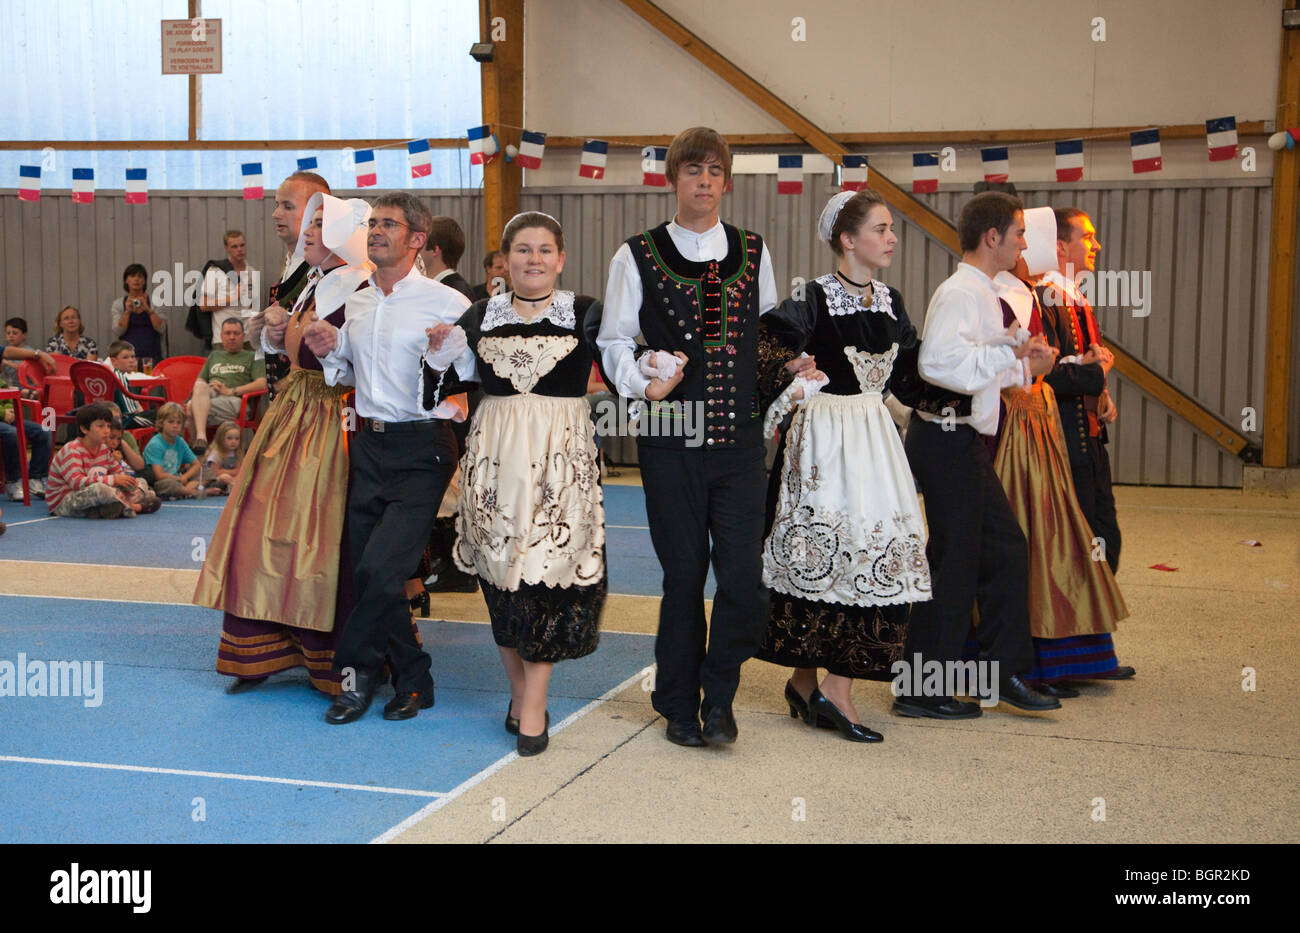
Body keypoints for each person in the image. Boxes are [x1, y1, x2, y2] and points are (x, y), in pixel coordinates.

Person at [597, 126, 778, 747]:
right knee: (683, 577)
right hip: (670, 435)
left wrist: (792, 375)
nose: (704, 181)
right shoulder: (637, 254)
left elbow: (768, 341)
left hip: (739, 441)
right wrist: (642, 382)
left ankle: (719, 693)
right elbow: (613, 340)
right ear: (672, 178)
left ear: (727, 181)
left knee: (743, 580)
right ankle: (678, 703)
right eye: (692, 170)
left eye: (714, 171)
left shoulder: (754, 250)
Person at [424, 211, 605, 756]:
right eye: (522, 249)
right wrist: (437, 352)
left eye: (544, 249)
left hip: (560, 459)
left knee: (547, 573)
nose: (534, 259)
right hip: (495, 456)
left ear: (561, 258)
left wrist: (658, 368)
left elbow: (624, 363)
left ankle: (533, 703)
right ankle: (519, 691)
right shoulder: (480, 314)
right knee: (501, 576)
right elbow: (440, 385)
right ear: (505, 260)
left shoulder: (586, 312)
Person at [754, 190, 931, 743]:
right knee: (824, 553)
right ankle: (824, 687)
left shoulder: (891, 301)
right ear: (848, 240)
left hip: (874, 439)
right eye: (881, 229)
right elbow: (762, 346)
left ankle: (816, 684)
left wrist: (982, 377)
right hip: (823, 440)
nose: (892, 238)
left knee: (874, 551)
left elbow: (912, 376)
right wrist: (791, 367)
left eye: (891, 228)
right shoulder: (811, 297)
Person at [303, 191, 473, 724]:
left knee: (380, 568)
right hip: (369, 445)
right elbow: (357, 373)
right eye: (372, 222)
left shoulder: (448, 303)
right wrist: (333, 347)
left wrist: (449, 351)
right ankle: (414, 679)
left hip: (423, 448)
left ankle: (353, 678)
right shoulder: (359, 301)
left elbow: (473, 372)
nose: (375, 230)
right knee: (368, 571)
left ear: (418, 239)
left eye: (389, 224)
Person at [195, 192, 375, 695]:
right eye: (308, 223)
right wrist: (275, 335)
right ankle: (259, 650)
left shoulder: (363, 285)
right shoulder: (314, 281)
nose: (306, 232)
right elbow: (297, 352)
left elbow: (372, 364)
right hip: (294, 412)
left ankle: (334, 660)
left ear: (342, 233)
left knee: (322, 536)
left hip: (334, 420)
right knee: (263, 529)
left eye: (319, 223)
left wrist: (328, 351)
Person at [892, 191, 1060, 719]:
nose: (1024, 244)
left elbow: (974, 367)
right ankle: (921, 688)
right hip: (945, 440)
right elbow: (938, 365)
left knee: (1004, 550)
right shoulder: (963, 292)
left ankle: (1000, 670)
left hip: (960, 440)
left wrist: (1020, 360)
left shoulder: (981, 291)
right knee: (956, 562)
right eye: (1019, 233)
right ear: (993, 237)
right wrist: (1011, 358)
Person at [1034, 206, 1134, 679]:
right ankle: (1065, 658)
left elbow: (1081, 364)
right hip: (1063, 443)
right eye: (1087, 237)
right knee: (1077, 546)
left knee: (1103, 539)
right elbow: (1047, 373)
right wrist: (1097, 373)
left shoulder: (1072, 296)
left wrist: (1101, 392)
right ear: (1060, 245)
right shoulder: (1045, 297)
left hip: (1088, 439)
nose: (1095, 245)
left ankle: (1091, 653)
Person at [249, 171, 332, 399]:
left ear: (318, 210)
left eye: (288, 206)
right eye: (277, 205)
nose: (276, 214)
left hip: (313, 400)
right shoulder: (291, 263)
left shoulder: (328, 271)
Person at [44, 402, 143, 518]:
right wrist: (114, 480)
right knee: (101, 489)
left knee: (141, 483)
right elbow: (77, 483)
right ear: (84, 429)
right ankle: (127, 505)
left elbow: (118, 472)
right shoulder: (72, 450)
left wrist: (127, 483)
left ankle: (109, 508)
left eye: (108, 426)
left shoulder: (104, 449)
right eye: (101, 426)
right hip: (64, 502)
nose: (107, 431)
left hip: (93, 497)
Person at [184, 319, 267, 451]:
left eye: (236, 333)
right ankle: (201, 440)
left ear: (243, 336)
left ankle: (197, 450)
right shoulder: (214, 356)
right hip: (211, 396)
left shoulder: (253, 356)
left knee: (190, 407)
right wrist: (212, 387)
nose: (231, 337)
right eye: (227, 333)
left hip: (236, 400)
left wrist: (230, 391)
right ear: (221, 336)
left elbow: (262, 384)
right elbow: (200, 382)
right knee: (199, 386)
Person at [1, 342, 55, 500]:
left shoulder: (2, 381)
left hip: (8, 418)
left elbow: (6, 394)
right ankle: (12, 481)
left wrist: (11, 409)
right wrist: (3, 413)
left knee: (44, 431)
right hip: (3, 419)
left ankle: (35, 477)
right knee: (11, 433)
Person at [198, 231, 258, 346]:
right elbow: (203, 305)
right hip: (223, 339)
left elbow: (252, 307)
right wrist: (233, 298)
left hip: (247, 337)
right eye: (234, 247)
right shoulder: (215, 271)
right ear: (227, 248)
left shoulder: (251, 272)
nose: (239, 250)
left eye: (242, 245)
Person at [143, 402, 202, 499]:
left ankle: (186, 490)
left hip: (177, 478)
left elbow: (196, 464)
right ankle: (193, 491)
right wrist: (179, 479)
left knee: (206, 471)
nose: (175, 425)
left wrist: (185, 477)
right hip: (160, 482)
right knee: (168, 484)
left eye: (179, 422)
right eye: (171, 422)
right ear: (161, 423)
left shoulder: (180, 441)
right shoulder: (155, 444)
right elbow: (159, 475)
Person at [110, 264, 165, 365]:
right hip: (126, 359)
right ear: (126, 280)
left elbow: (162, 328)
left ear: (144, 281)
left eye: (140, 276)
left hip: (152, 357)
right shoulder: (118, 304)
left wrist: (149, 310)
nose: (136, 279)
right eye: (132, 276)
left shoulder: (155, 302)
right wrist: (127, 311)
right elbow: (118, 331)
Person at [104, 420, 162, 514]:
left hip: (125, 490)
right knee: (107, 492)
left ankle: (128, 505)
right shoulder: (100, 452)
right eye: (111, 438)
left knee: (144, 484)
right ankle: (131, 505)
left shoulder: (116, 452)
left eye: (118, 439)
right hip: (112, 488)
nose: (115, 443)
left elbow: (134, 470)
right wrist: (112, 462)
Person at [421, 216, 476, 301]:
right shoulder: (450, 288)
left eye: (421, 245)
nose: (416, 251)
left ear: (435, 250)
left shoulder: (453, 292)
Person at [104, 340, 156, 428]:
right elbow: (130, 411)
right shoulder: (119, 376)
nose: (131, 360)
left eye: (133, 356)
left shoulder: (108, 373)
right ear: (113, 361)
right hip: (124, 421)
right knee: (163, 416)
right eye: (125, 357)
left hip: (106, 418)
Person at [200, 420, 244, 494]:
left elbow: (239, 470)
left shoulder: (237, 453)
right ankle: (237, 487)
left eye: (237, 438)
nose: (234, 441)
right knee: (225, 477)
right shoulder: (216, 453)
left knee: (241, 477)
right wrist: (233, 472)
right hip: (213, 480)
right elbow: (215, 472)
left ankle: (233, 487)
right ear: (221, 439)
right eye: (229, 438)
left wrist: (234, 473)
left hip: (230, 479)